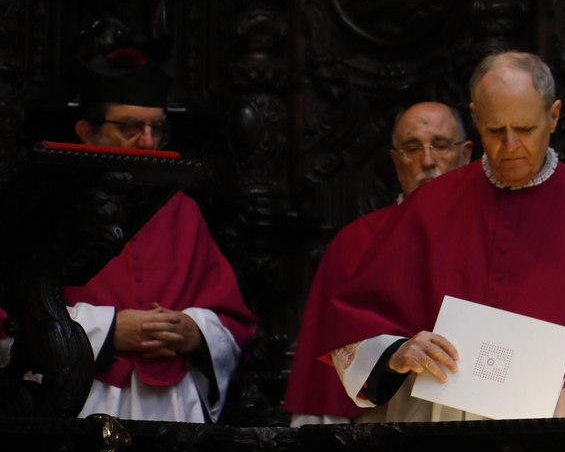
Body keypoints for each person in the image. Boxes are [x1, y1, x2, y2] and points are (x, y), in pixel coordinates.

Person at [317, 51, 565, 422]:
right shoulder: (429, 206)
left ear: (552, 117)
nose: (509, 146)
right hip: (441, 417)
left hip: (564, 419)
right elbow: (360, 318)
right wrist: (396, 350)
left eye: (524, 129)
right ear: (475, 119)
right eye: (494, 130)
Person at [63, 55, 255, 422]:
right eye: (131, 127)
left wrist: (195, 331)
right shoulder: (51, 207)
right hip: (82, 401)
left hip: (175, 408)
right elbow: (17, 326)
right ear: (88, 132)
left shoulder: (182, 211)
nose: (148, 142)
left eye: (157, 129)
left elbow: (235, 323)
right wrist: (111, 330)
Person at [282, 101, 473, 425]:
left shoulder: (494, 234)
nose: (428, 161)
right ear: (397, 163)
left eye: (440, 146)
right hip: (388, 425)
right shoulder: (355, 243)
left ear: (466, 154)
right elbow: (330, 366)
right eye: (413, 149)